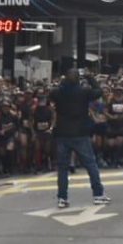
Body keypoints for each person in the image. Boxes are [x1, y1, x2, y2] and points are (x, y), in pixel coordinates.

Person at [49, 69, 109, 209]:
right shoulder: (83, 91)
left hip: (62, 133)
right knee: (90, 164)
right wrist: (90, 77)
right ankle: (98, 195)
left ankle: (62, 198)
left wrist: (63, 83)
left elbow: (52, 94)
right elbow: (98, 91)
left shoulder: (57, 92)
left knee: (62, 168)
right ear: (78, 79)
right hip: (80, 133)